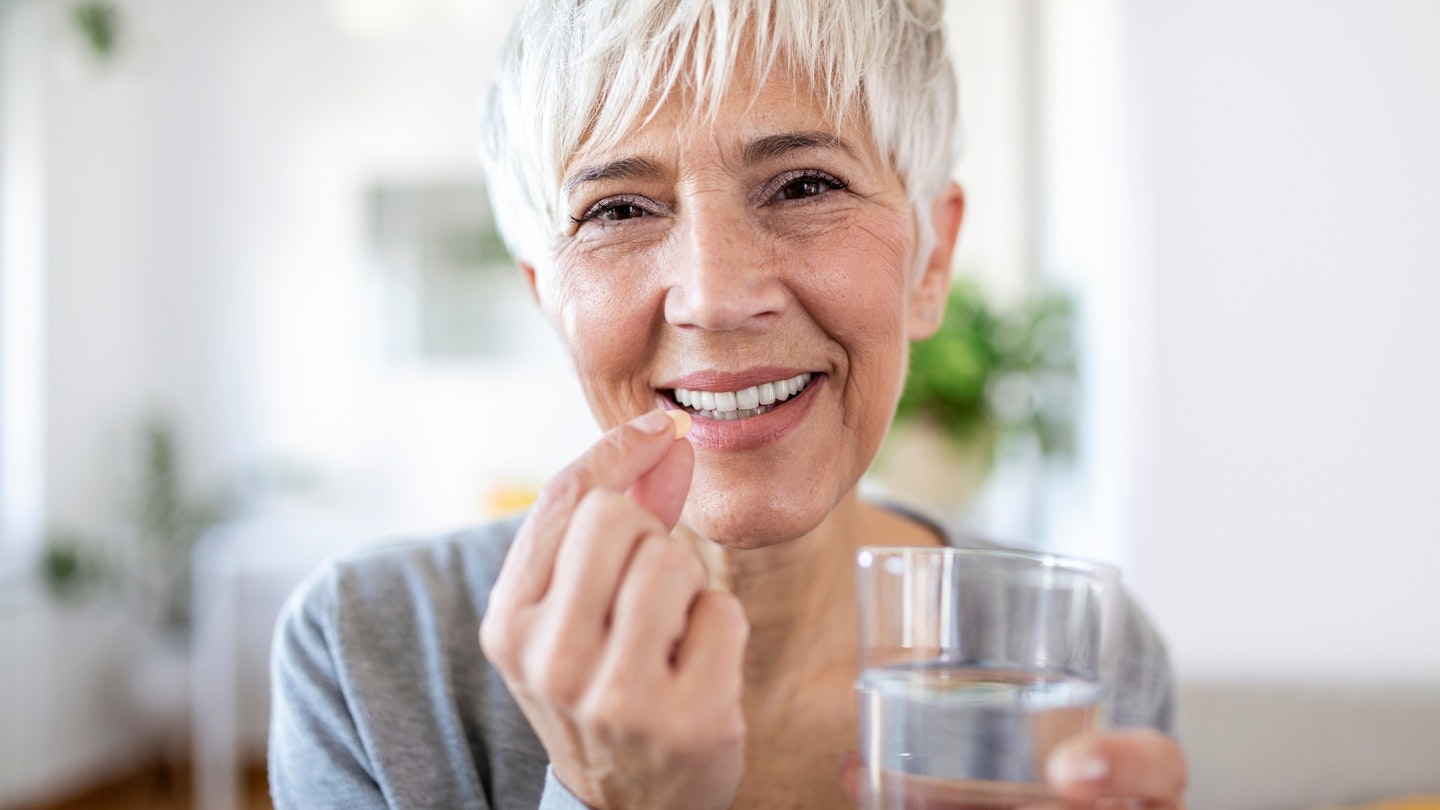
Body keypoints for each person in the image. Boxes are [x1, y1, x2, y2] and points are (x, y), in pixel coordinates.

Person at [268, 0, 1189, 807]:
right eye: (618, 211)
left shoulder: (1075, 655)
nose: (712, 293)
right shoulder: (366, 651)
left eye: (805, 185)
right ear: (548, 296)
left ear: (931, 261)